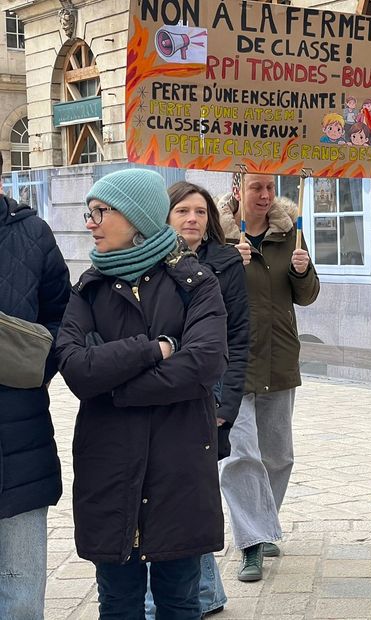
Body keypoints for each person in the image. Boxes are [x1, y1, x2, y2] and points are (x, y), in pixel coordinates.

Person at [56, 168, 229, 618]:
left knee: (180, 602)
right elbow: (75, 368)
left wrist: (115, 386)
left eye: (101, 211)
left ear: (136, 218)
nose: (90, 222)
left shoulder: (196, 283)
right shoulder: (89, 289)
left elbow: (203, 365)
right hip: (109, 467)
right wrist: (155, 349)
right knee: (117, 603)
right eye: (89, 212)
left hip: (178, 467)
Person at [143, 182, 251, 618]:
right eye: (182, 211)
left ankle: (199, 593)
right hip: (158, 389)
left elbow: (238, 338)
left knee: (193, 491)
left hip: (208, 393)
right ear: (164, 216)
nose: (192, 219)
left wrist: (227, 405)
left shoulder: (226, 263)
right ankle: (203, 592)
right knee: (165, 489)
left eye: (201, 212)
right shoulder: (145, 263)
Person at [217, 173, 320, 582]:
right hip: (233, 362)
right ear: (237, 188)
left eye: (270, 188)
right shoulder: (218, 236)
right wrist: (228, 263)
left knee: (278, 455)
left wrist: (302, 271)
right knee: (241, 454)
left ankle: (261, 522)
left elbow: (307, 296)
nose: (264, 195)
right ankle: (252, 542)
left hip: (278, 358)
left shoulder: (289, 233)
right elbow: (198, 289)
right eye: (255, 187)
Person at [0, 152, 71, 619]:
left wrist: (30, 369)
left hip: (19, 437)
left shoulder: (33, 233)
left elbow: (62, 318)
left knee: (21, 593)